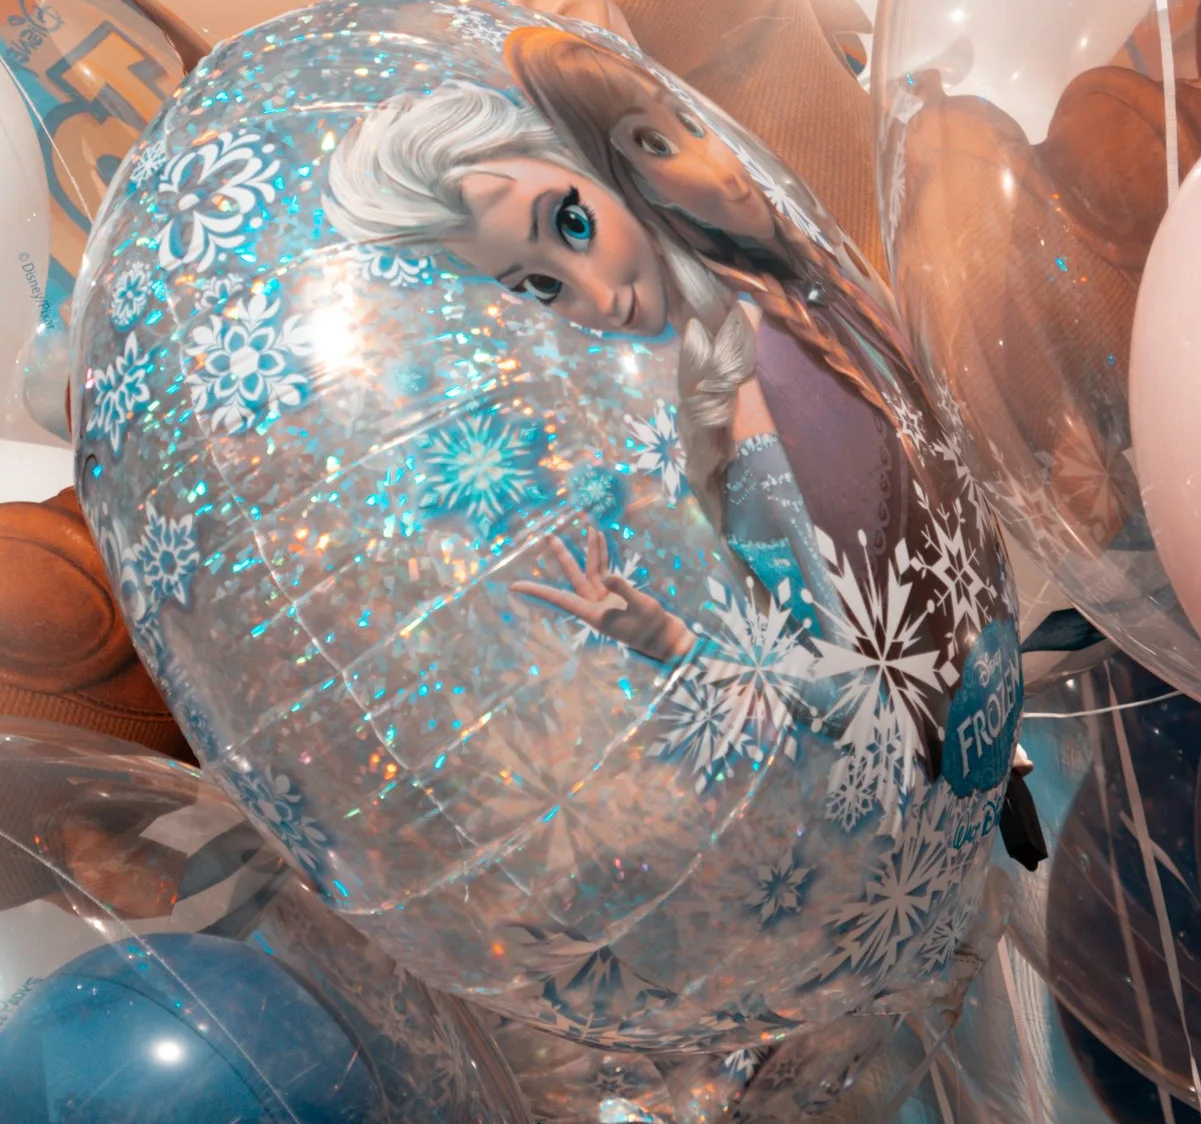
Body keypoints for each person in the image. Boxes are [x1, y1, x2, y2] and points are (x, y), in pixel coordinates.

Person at [326, 42, 986, 789]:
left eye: (573, 224)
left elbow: (875, 694)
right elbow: (870, 677)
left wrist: (675, 643)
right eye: (541, 285)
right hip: (966, 716)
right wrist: (665, 638)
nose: (600, 298)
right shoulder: (737, 371)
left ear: (606, 171)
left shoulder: (768, 371)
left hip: (959, 715)